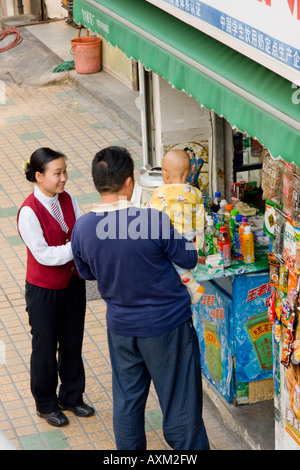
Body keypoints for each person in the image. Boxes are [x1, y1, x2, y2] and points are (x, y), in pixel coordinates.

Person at [71, 146, 210, 451]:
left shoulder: (82, 227)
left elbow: (85, 272)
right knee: (180, 401)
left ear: (97, 182)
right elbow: (187, 259)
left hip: (120, 327)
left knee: (127, 402)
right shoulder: (152, 220)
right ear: (130, 182)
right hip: (167, 325)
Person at [17, 147, 94, 427]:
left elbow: (81, 230)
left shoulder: (68, 199)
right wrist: (77, 248)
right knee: (45, 346)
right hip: (44, 290)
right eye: (57, 173)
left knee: (72, 342)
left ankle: (72, 396)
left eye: (64, 172)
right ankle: (46, 403)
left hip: (73, 284)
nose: (63, 178)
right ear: (39, 176)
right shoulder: (28, 211)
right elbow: (44, 255)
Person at [149, 149, 205, 304]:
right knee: (181, 264)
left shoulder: (160, 192)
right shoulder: (195, 193)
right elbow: (200, 221)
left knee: (174, 266)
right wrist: (200, 242)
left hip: (169, 239)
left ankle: (194, 287)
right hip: (187, 239)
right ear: (188, 173)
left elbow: (153, 216)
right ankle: (189, 289)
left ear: (165, 174)